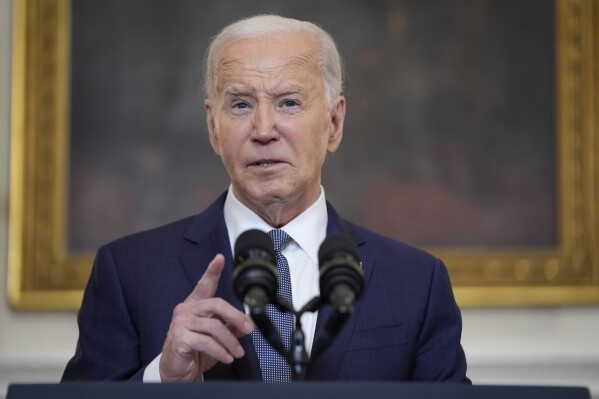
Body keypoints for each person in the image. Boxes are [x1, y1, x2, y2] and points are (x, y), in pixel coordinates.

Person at [62, 14, 470, 383]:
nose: (263, 130)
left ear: (333, 123)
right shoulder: (128, 272)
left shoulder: (416, 282)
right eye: (240, 104)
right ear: (213, 127)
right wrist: (162, 380)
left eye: (288, 103)